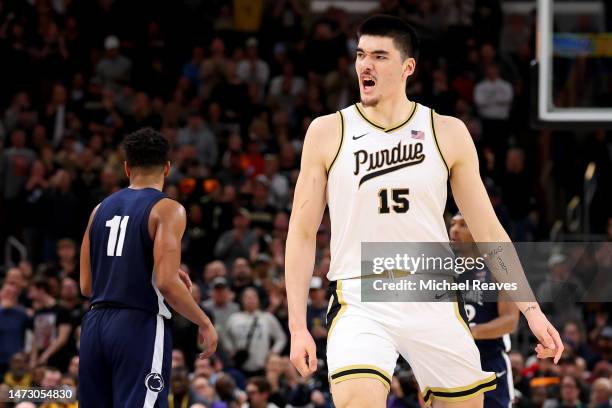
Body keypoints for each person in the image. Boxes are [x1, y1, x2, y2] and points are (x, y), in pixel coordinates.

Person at [285, 15, 563, 408]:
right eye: (361, 55)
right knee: (356, 400)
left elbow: (489, 230)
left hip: (433, 294)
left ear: (407, 67)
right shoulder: (327, 131)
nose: (365, 65)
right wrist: (297, 325)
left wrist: (532, 312)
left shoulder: (446, 131)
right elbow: (300, 232)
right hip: (361, 295)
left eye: (379, 56)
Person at [78, 128, 217, 407]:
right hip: (137, 325)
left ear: (127, 167)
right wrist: (204, 321)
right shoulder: (168, 209)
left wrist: (146, 267)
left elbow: (87, 286)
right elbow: (166, 283)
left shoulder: (99, 209)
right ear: (167, 168)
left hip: (94, 327)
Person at [450, 212, 520, 408]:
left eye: (463, 225)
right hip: (453, 361)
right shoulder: (442, 271)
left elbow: (510, 321)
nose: (454, 229)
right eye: (452, 224)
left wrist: (468, 332)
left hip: (488, 361)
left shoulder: (500, 269)